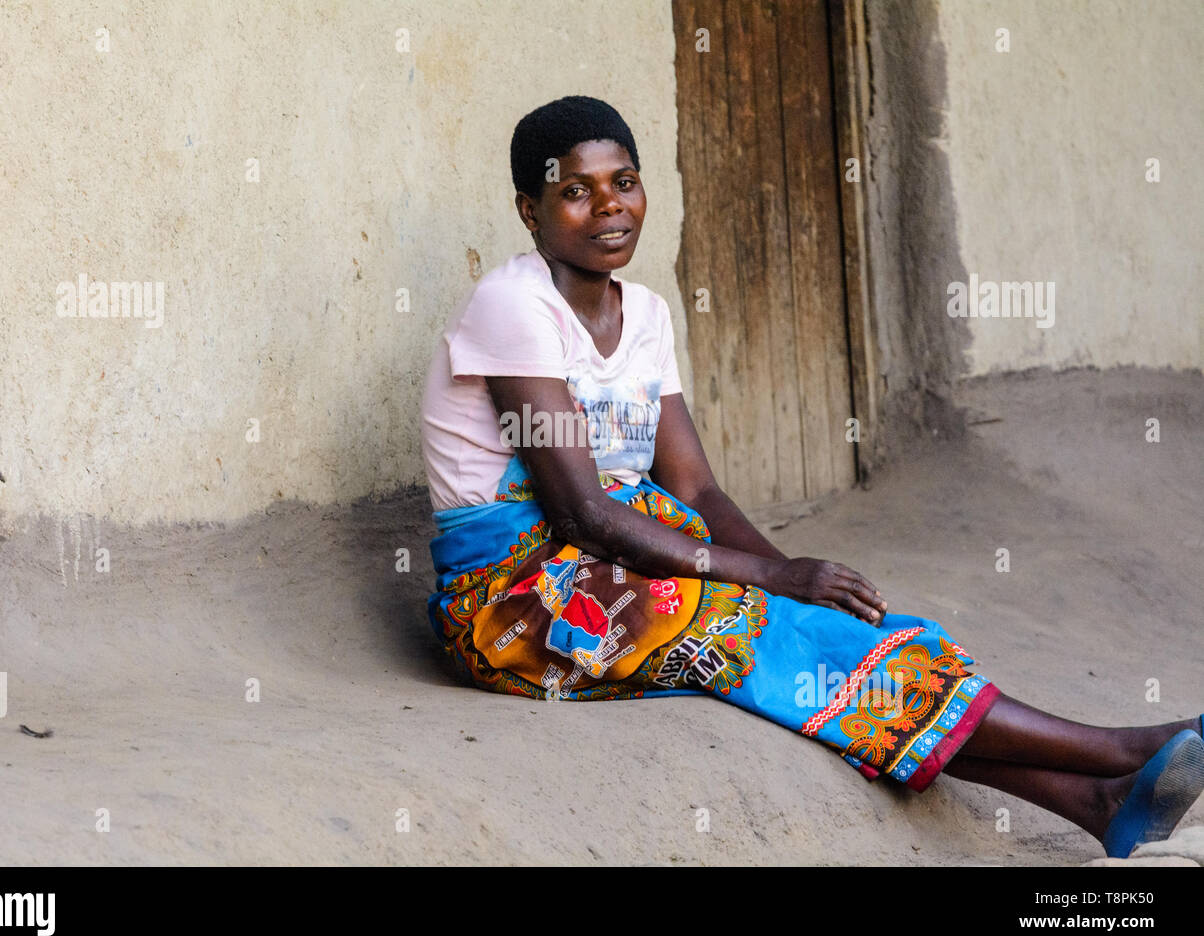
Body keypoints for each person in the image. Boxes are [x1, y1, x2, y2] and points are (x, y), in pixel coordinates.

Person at [418, 95, 1204, 858]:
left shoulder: (648, 313)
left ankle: (1095, 805)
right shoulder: (512, 306)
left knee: (833, 637)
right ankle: (1116, 748)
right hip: (518, 599)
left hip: (624, 563)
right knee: (770, 636)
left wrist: (790, 578)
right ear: (530, 211)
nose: (609, 208)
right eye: (574, 194)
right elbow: (582, 511)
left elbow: (694, 491)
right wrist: (772, 576)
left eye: (624, 183)